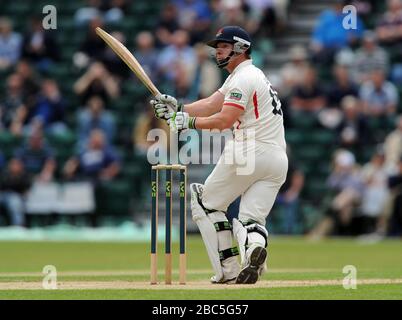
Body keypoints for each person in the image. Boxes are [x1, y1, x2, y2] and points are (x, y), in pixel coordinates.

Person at [151, 26, 288, 284]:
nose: (218, 51)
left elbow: (224, 119)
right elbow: (214, 103)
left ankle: (228, 270)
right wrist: (178, 108)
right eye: (217, 47)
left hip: (249, 151)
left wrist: (187, 123)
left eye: (224, 46)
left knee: (206, 202)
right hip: (277, 161)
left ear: (241, 48)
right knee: (251, 219)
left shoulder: (243, 78)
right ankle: (253, 250)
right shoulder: (248, 76)